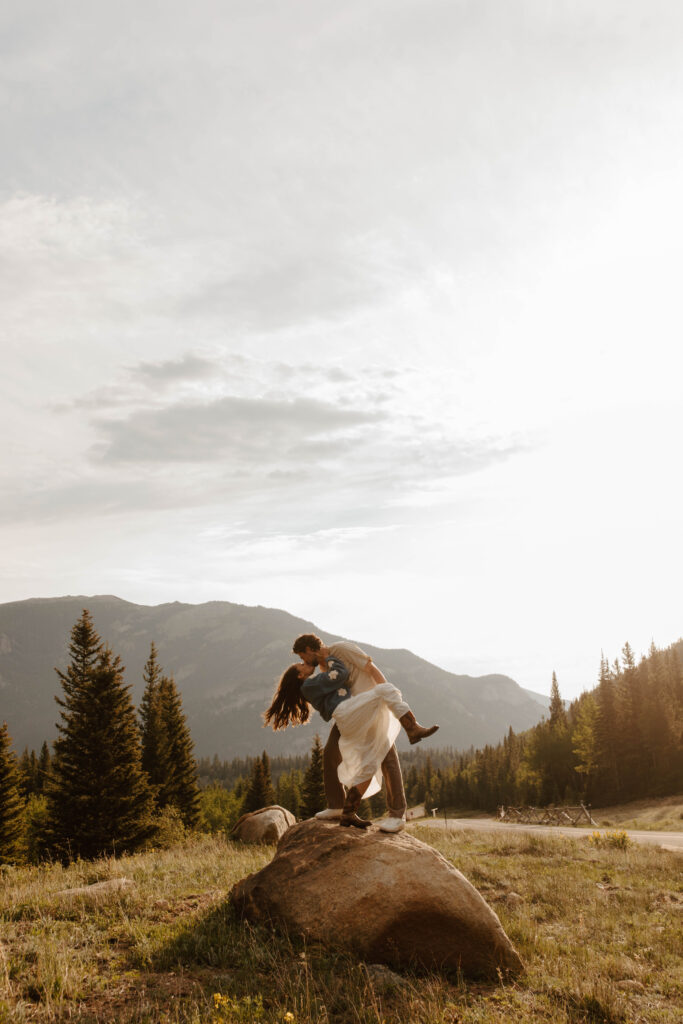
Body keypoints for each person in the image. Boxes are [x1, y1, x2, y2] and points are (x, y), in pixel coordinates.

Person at [265, 638, 438, 829]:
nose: (303, 661)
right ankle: (338, 806)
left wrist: (385, 702)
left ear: (309, 649)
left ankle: (392, 814)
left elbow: (370, 668)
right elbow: (339, 676)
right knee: (332, 753)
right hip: (351, 711)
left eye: (302, 656)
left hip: (365, 707)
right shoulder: (320, 672)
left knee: (381, 759)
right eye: (301, 661)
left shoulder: (340, 649)